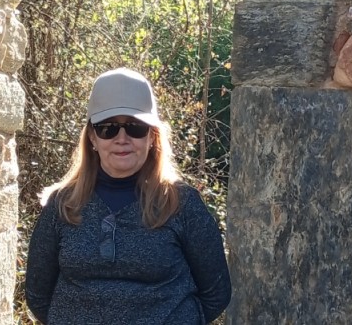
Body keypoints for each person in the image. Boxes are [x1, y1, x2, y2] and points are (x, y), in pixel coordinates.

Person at [25, 67, 232, 324]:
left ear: (152, 137)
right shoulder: (63, 205)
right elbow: (37, 294)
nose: (122, 138)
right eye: (108, 128)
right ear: (92, 138)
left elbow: (216, 292)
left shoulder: (181, 204)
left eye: (136, 128)